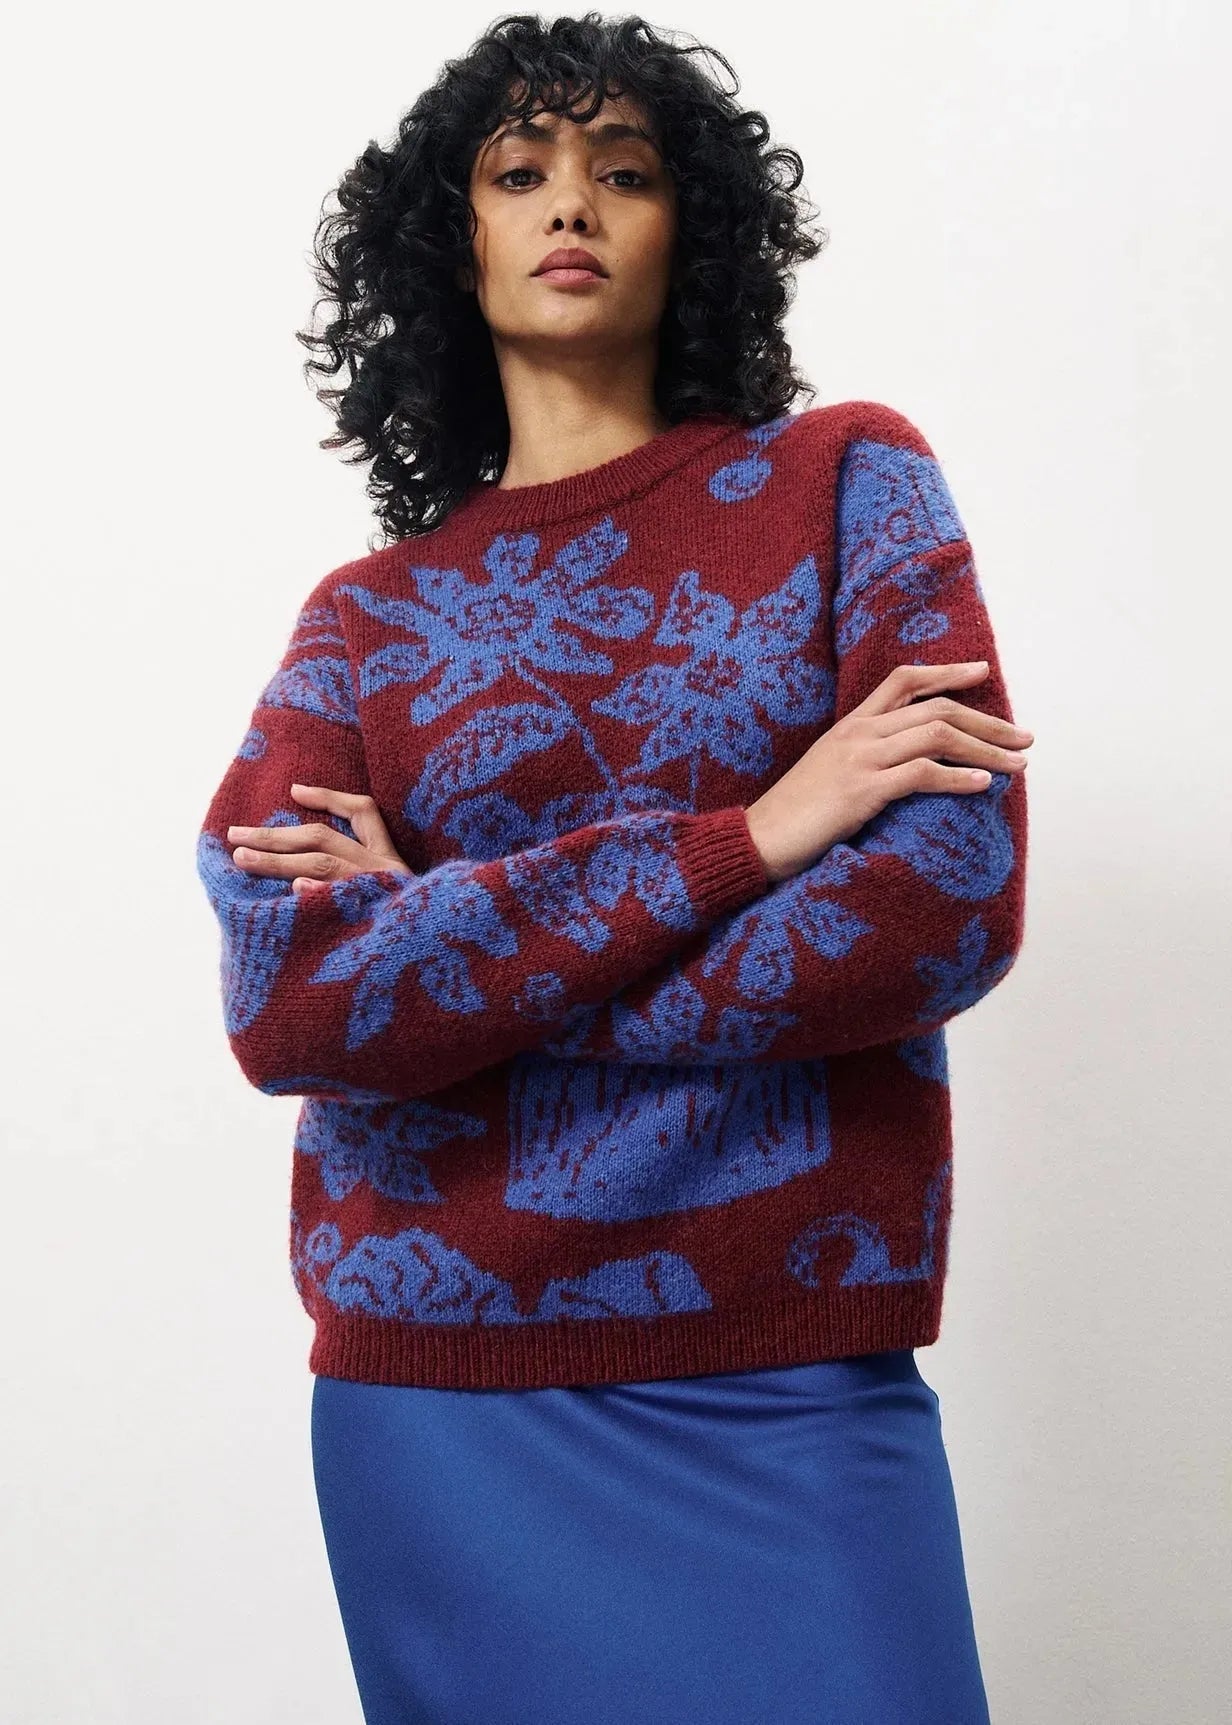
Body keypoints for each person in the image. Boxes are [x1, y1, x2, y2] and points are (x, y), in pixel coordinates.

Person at [196, 13, 1032, 1723]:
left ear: (693, 226)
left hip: (791, 1369)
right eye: (520, 173)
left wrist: (460, 974)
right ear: (450, 242)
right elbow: (292, 1001)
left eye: (625, 172)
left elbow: (944, 905)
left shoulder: (846, 482)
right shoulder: (362, 623)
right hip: (443, 1399)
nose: (571, 202)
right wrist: (755, 837)